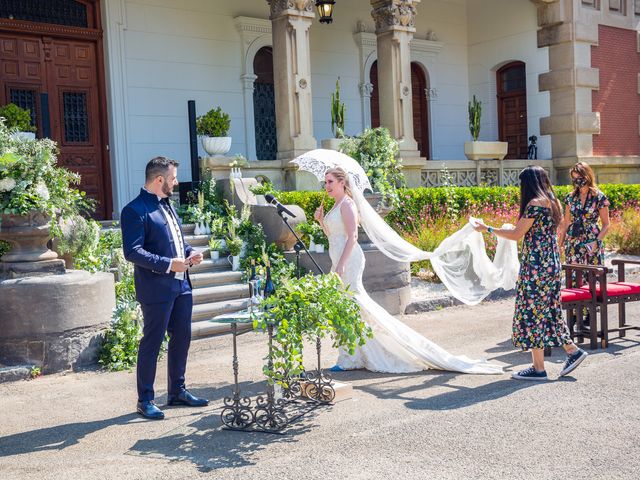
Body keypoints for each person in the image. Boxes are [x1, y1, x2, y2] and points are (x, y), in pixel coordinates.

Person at [314, 167, 502, 375]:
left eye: (330, 181)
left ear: (342, 183)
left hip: (348, 261)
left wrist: (341, 264)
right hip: (338, 260)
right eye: (326, 182)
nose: (327, 186)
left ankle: (353, 357)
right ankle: (353, 355)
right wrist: (322, 221)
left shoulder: (347, 205)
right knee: (347, 308)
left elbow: (353, 237)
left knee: (352, 305)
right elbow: (334, 235)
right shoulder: (335, 205)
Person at [473, 166, 588, 380]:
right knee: (549, 310)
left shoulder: (534, 204)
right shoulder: (554, 203)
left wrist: (487, 228)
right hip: (551, 264)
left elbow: (517, 234)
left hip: (536, 266)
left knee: (532, 311)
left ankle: (540, 368)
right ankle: (571, 351)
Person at [121, 156, 208, 420]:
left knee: (182, 338)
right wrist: (171, 264)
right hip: (156, 288)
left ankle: (177, 391)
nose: (176, 182)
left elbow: (175, 241)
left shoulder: (169, 206)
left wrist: (190, 253)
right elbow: (133, 252)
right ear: (159, 180)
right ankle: (145, 399)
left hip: (182, 285)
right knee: (153, 342)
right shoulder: (134, 210)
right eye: (172, 178)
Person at [558, 162, 610, 272]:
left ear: (587, 176)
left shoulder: (598, 196)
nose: (577, 180)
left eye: (579, 177)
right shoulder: (570, 197)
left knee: (593, 276)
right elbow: (566, 223)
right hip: (573, 240)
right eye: (574, 178)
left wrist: (597, 242)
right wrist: (560, 245)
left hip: (592, 240)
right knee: (574, 276)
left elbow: (606, 224)